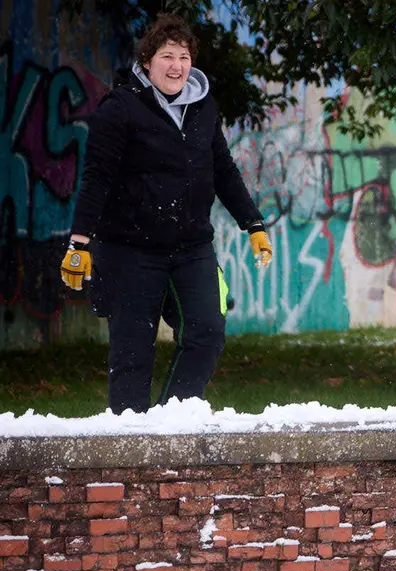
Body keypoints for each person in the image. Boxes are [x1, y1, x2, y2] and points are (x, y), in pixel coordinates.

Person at [61, 14, 271, 414]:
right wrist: (79, 242)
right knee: (132, 355)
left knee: (207, 333)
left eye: (184, 57)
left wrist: (253, 223)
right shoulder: (120, 108)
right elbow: (97, 178)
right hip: (130, 249)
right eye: (167, 56)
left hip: (192, 246)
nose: (177, 66)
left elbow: (223, 168)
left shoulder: (202, 105)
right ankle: (129, 445)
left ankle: (173, 419)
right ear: (147, 61)